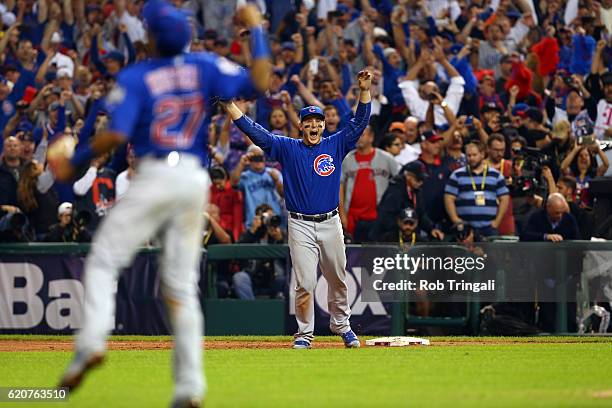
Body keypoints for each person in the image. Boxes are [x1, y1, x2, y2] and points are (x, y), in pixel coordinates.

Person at [53, 2, 271, 407]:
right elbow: (260, 81)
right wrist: (256, 30)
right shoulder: (206, 66)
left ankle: (92, 341)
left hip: (155, 173)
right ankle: (189, 387)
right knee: (181, 287)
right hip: (193, 178)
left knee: (103, 259)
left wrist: (74, 164)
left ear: (151, 38)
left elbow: (114, 136)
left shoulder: (138, 75)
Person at [220, 69, 372, 349]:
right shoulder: (288, 147)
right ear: (301, 126)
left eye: (318, 122)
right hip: (300, 223)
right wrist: (230, 106)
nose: (313, 127)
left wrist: (364, 91)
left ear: (323, 126)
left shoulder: (335, 144)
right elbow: (258, 134)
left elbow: (359, 123)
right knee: (304, 282)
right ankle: (304, 333)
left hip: (330, 221)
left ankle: (342, 325)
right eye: (308, 122)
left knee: (337, 277)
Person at [339, 124, 398, 242]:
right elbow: (340, 188)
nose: (359, 138)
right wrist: (342, 215)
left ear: (371, 137)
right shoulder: (347, 159)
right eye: (357, 135)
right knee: (353, 256)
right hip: (352, 217)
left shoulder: (387, 158)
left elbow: (399, 183)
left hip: (378, 217)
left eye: (362, 134)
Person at [444, 141, 510, 237]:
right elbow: (448, 198)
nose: (471, 158)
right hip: (465, 227)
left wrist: (497, 222)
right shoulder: (457, 175)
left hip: (489, 228)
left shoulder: (496, 175)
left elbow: (504, 198)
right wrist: (456, 220)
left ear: (482, 154)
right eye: (468, 155)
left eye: (474, 155)